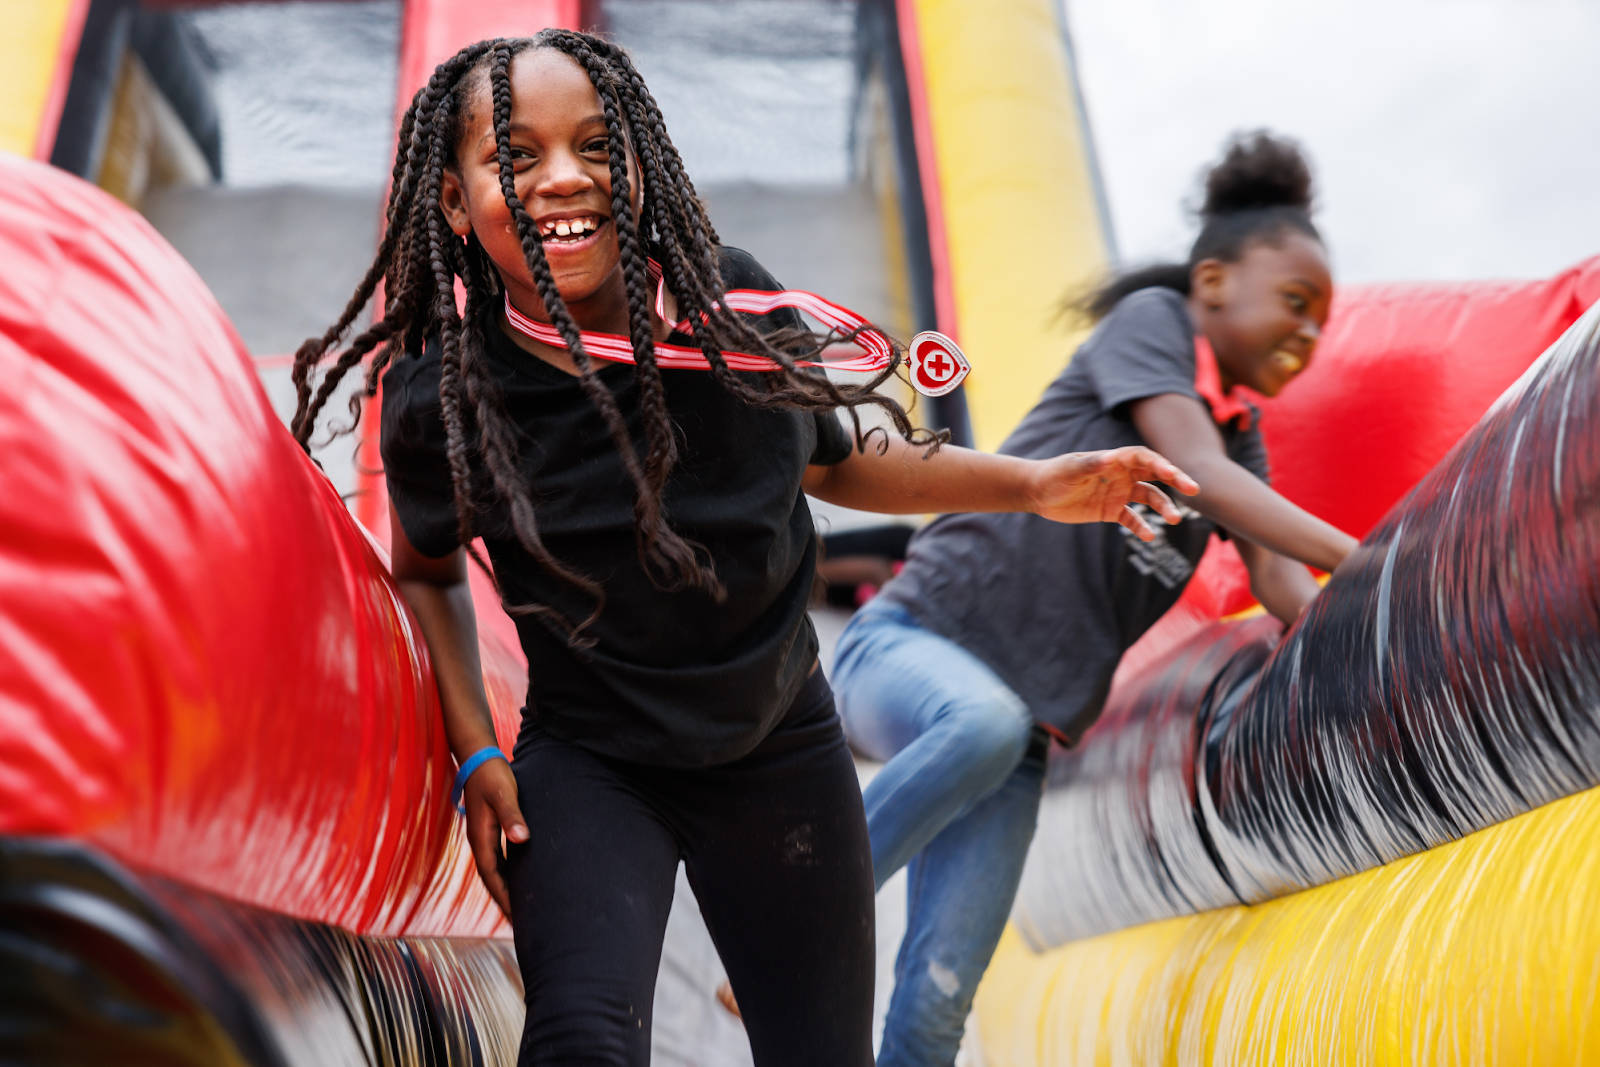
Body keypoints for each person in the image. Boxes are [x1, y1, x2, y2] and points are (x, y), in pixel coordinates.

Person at [287, 32, 1196, 1067]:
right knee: (579, 1043)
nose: (566, 176)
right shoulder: (445, 397)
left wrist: (1030, 484)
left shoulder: (728, 307)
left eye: (598, 144)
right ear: (454, 202)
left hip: (777, 748)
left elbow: (837, 460)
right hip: (593, 763)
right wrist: (476, 752)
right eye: (517, 157)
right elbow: (427, 570)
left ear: (640, 164)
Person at [830, 131, 1359, 1067]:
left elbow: (1279, 577)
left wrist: (1361, 612)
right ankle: (805, 920)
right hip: (910, 642)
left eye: (1322, 320)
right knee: (981, 721)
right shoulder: (1152, 326)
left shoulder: (1239, 439)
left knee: (940, 998)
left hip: (1024, 737)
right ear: (1211, 283)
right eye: (1294, 301)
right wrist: (1362, 557)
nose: (1308, 334)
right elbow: (1194, 472)